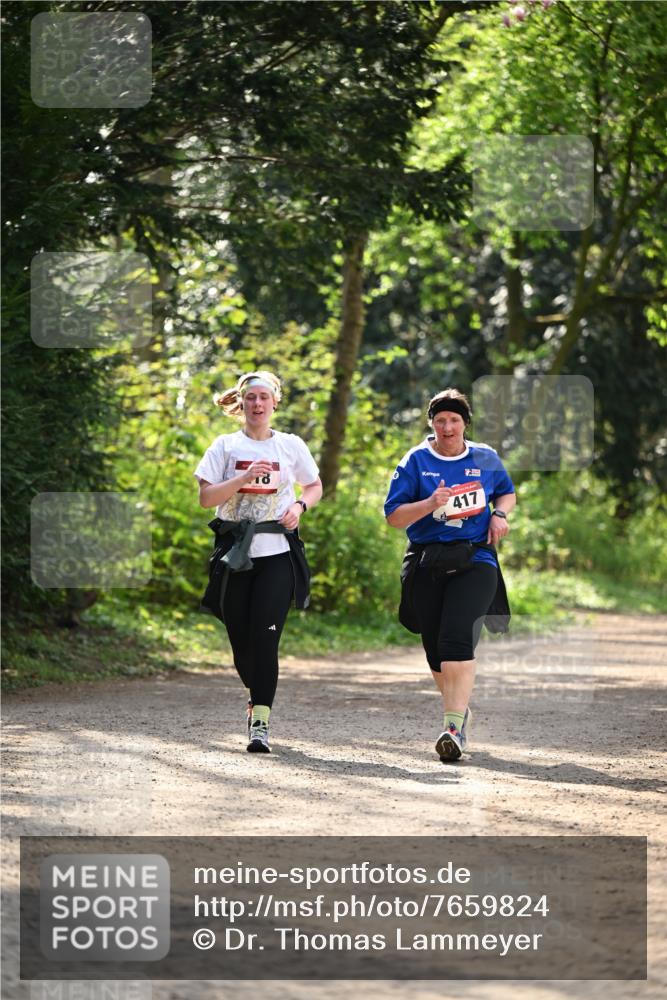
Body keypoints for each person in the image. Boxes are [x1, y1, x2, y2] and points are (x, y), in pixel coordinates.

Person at [384, 388, 516, 763]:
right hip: (427, 560)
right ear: (431, 423)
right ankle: (460, 709)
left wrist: (499, 515)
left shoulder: (485, 457)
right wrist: (429, 504)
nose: (447, 427)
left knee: (458, 636)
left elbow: (506, 493)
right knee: (435, 649)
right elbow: (394, 517)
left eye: (454, 420)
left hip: (476, 560)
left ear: (464, 424)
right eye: (440, 420)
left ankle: (453, 727)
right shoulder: (414, 461)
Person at [194, 371, 322, 754]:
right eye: (251, 398)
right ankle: (255, 697)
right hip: (235, 556)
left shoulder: (290, 445)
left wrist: (299, 506)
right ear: (242, 402)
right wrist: (244, 476)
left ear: (274, 402)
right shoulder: (225, 446)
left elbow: (314, 486)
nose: (257, 404)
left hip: (276, 555)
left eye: (264, 397)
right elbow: (205, 498)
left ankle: (261, 722)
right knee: (241, 645)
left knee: (266, 641)